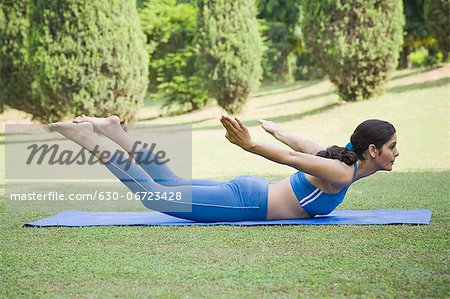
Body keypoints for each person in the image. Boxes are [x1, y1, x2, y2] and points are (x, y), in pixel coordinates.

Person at [48, 115, 399, 222]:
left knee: (168, 182)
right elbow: (292, 157)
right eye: (392, 147)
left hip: (250, 192)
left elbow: (301, 146)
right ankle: (87, 138)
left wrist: (279, 131)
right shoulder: (340, 172)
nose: (396, 154)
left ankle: (114, 131)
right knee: (155, 197)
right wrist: (253, 144)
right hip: (249, 203)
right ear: (372, 150)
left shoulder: (338, 161)